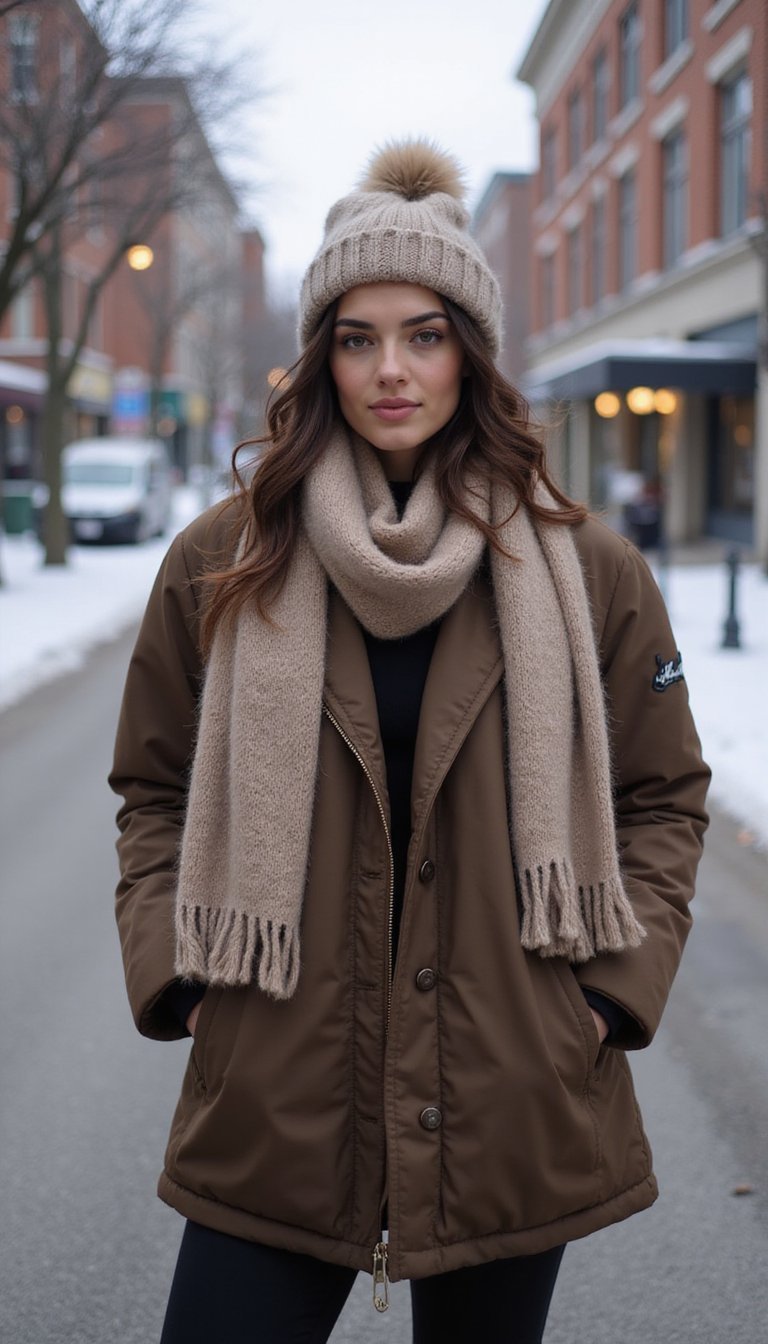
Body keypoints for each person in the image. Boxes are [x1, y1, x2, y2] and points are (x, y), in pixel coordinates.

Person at [110, 141, 710, 1344]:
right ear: (319, 355)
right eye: (357, 335)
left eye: (425, 334)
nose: (392, 369)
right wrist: (181, 977)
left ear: (470, 353)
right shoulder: (226, 558)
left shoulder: (585, 567)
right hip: (277, 1088)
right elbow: (153, 788)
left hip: (512, 1094)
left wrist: (599, 1002)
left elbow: (662, 800)